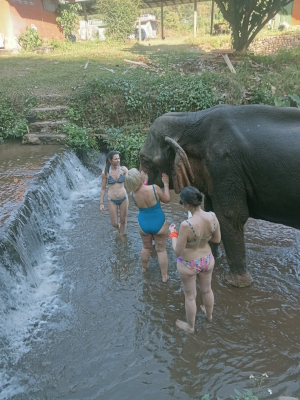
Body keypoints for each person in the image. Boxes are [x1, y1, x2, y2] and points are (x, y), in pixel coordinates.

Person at [169, 186, 221, 333]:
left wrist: (173, 235)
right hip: (207, 259)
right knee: (207, 290)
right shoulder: (212, 216)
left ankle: (191, 327)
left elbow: (178, 251)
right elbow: (217, 240)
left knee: (190, 297)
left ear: (187, 204)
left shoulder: (186, 225)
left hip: (188, 263)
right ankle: (209, 316)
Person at [124, 168, 170, 282]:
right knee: (161, 250)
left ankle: (144, 269)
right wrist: (166, 184)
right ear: (139, 177)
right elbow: (167, 199)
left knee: (146, 247)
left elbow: (141, 190)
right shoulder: (154, 188)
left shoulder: (132, 195)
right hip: (159, 223)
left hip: (143, 224)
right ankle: (164, 277)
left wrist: (144, 182)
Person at [100, 151, 128, 235]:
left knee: (123, 221)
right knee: (114, 223)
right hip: (112, 200)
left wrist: (128, 172)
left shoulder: (123, 170)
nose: (118, 160)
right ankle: (119, 230)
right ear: (110, 160)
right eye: (116, 159)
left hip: (124, 198)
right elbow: (103, 188)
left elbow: (132, 181)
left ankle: (122, 236)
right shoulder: (105, 173)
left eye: (119, 158)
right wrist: (101, 203)